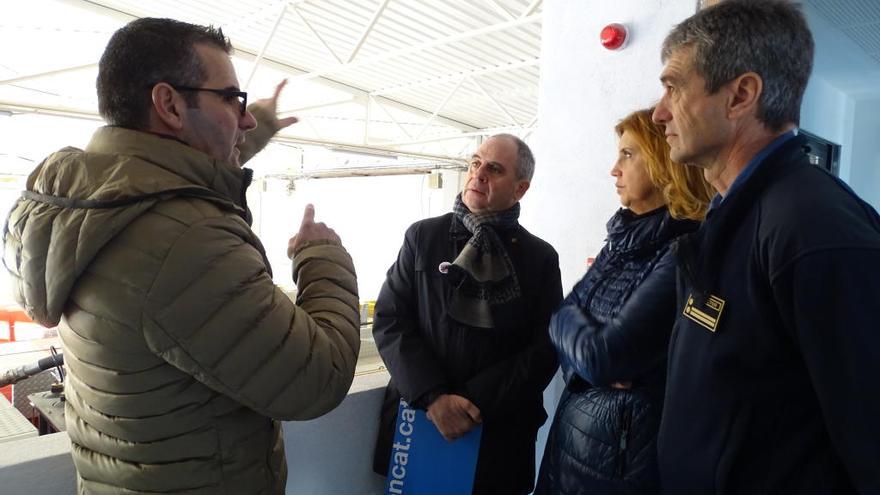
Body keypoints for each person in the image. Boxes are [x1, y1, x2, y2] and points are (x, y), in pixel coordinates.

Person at [2, 18, 360, 494]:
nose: (246, 118)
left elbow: (170, 172)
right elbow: (316, 379)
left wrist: (249, 131)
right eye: (233, 99)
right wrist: (322, 257)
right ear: (169, 104)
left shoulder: (90, 198)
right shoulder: (183, 240)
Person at [651, 1, 880, 493]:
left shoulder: (813, 229)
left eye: (673, 86)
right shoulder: (736, 214)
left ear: (741, 96)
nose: (659, 112)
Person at [371, 134, 562, 494]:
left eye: (494, 168)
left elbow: (545, 347)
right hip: (422, 423)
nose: (478, 174)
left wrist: (473, 403)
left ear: (520, 189)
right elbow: (391, 319)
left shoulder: (539, 258)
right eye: (475, 163)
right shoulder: (424, 237)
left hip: (497, 433)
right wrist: (435, 397)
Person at [533, 108, 712, 495]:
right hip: (571, 450)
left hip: (620, 469)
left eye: (628, 155)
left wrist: (583, 346)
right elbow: (563, 322)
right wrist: (586, 357)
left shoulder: (683, 250)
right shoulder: (622, 241)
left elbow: (604, 355)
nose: (614, 169)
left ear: (666, 162)